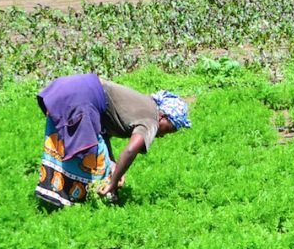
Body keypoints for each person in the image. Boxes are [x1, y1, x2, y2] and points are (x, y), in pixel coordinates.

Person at [35, 73, 191, 207]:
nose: (163, 135)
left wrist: (113, 164)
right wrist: (113, 183)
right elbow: (131, 150)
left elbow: (102, 131)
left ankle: (56, 197)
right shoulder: (152, 120)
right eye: (169, 129)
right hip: (81, 98)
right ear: (163, 116)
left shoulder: (144, 105)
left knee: (97, 158)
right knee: (92, 163)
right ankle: (77, 203)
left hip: (69, 88)